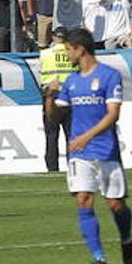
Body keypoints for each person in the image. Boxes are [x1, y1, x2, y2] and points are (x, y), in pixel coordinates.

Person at [56, 28, 132, 264]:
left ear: (80, 49)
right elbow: (55, 116)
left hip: (105, 149)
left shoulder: (109, 76)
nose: (67, 55)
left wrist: (87, 136)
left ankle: (126, 239)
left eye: (68, 50)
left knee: (115, 203)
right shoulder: (71, 81)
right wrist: (49, 98)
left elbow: (113, 114)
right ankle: (99, 258)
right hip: (79, 152)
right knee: (83, 199)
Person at [39, 28, 77, 173]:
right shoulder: (73, 53)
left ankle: (52, 168)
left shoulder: (45, 54)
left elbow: (41, 74)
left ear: (54, 37)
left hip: (52, 95)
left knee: (51, 134)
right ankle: (73, 165)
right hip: (71, 96)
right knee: (71, 135)